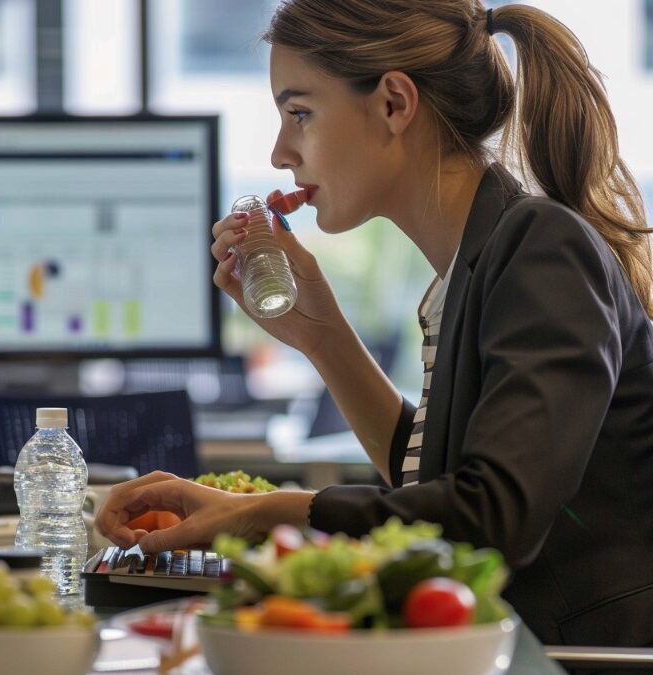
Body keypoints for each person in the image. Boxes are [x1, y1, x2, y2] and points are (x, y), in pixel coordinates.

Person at [96, 0, 653, 649]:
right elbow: (425, 488)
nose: (280, 152)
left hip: (573, 657)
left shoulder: (541, 247)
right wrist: (322, 334)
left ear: (393, 103)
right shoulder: (473, 264)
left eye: (299, 112)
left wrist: (262, 512)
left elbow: (491, 515)